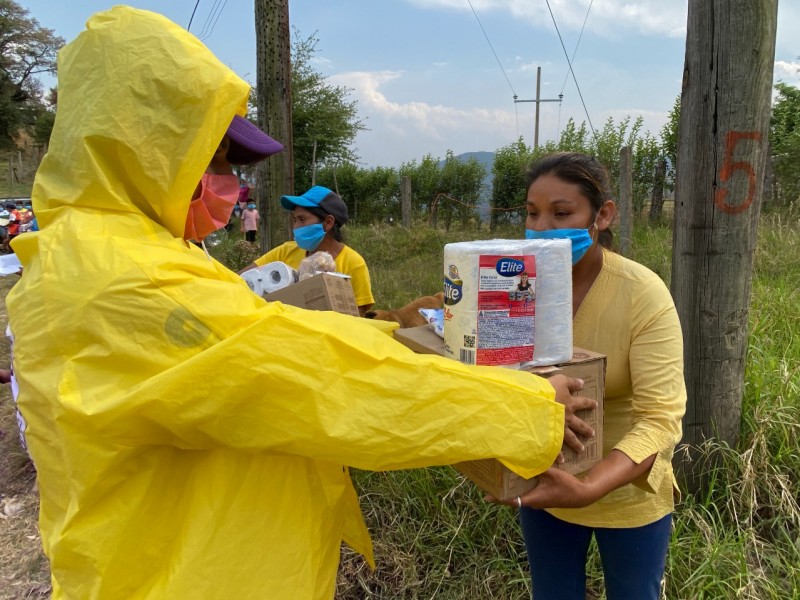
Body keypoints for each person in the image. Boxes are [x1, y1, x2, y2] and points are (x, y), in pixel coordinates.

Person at [6, 9, 596, 600]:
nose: (225, 183)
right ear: (142, 148)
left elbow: (281, 332)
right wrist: (524, 408)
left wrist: (408, 343)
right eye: (211, 161)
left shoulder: (113, 254)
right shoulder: (124, 281)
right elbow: (308, 378)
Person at [493, 152, 687, 600]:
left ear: (602, 215)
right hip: (547, 478)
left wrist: (589, 487)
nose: (540, 229)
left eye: (561, 213)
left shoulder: (641, 294)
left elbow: (661, 418)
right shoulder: (518, 286)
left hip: (626, 494)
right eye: (531, 213)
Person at [240, 185, 375, 316]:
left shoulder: (354, 263)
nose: (296, 227)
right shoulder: (285, 251)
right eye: (294, 220)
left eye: (302, 219)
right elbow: (239, 278)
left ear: (328, 222)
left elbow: (358, 318)